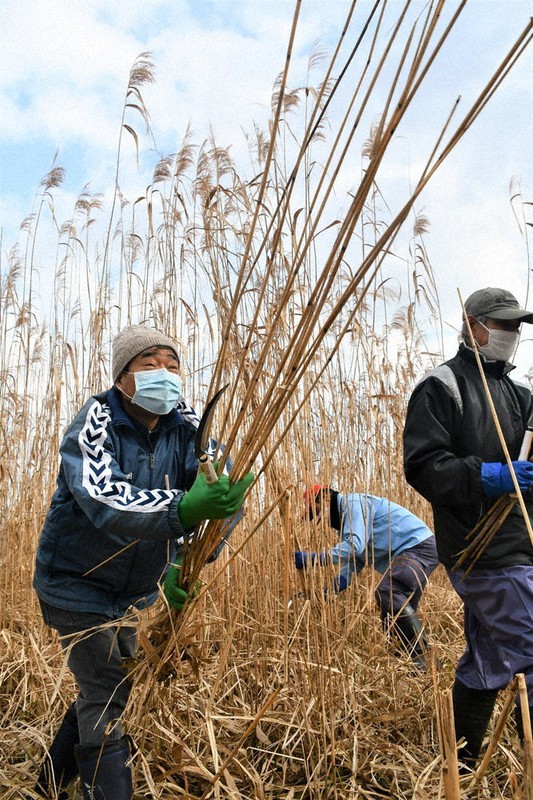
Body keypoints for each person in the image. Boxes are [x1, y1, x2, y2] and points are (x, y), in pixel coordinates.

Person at [33, 324, 254, 800]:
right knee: (109, 688)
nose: (164, 375)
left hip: (133, 592)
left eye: (172, 366)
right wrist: (181, 509)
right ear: (121, 378)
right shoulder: (94, 421)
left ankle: (47, 783)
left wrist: (187, 560)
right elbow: (102, 496)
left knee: (107, 682)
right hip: (74, 583)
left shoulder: (192, 428)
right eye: (149, 364)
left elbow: (221, 496)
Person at [403, 287, 533, 768]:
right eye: (502, 325)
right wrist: (488, 476)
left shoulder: (522, 394)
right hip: (480, 549)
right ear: (473, 324)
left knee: (488, 659)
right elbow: (422, 465)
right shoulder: (443, 385)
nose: (511, 334)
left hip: (521, 542)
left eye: (517, 327)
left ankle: (458, 765)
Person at [293, 484, 439, 670]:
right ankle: (409, 668)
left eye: (317, 510)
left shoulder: (352, 504)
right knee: (392, 614)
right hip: (413, 551)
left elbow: (354, 546)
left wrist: (312, 559)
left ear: (325, 498)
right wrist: (332, 588)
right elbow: (356, 559)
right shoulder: (347, 520)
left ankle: (423, 661)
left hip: (418, 548)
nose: (320, 518)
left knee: (389, 591)